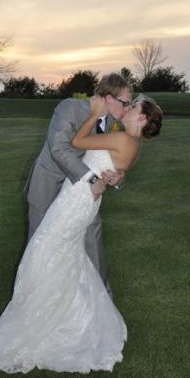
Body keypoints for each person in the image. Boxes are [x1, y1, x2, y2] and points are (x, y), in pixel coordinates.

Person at [0, 94, 163, 374]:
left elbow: (77, 143)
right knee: (64, 255)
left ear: (142, 119)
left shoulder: (122, 139)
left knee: (44, 250)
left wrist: (94, 115)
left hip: (77, 200)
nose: (128, 109)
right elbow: (112, 170)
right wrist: (115, 178)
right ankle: (68, 318)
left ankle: (37, 323)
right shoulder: (134, 145)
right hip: (83, 200)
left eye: (133, 108)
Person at [25, 73, 132, 297]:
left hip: (79, 192)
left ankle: (103, 298)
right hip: (48, 185)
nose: (127, 109)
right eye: (125, 102)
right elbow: (58, 149)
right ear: (108, 97)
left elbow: (106, 158)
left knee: (93, 233)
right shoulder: (69, 108)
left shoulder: (110, 121)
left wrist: (118, 178)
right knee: (39, 243)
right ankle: (32, 299)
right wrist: (92, 179)